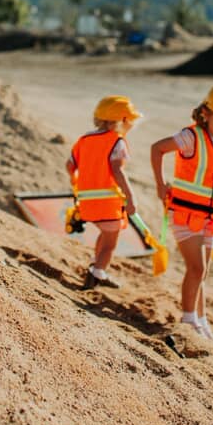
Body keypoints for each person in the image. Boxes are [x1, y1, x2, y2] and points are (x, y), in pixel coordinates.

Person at [150, 84, 213, 341]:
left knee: (202, 272)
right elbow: (157, 148)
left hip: (210, 217)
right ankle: (188, 319)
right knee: (196, 268)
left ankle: (201, 322)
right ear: (205, 114)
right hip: (184, 212)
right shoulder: (190, 137)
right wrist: (160, 185)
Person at [67, 95, 142, 289]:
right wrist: (131, 197)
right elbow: (117, 171)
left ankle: (95, 264)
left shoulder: (84, 139)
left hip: (86, 201)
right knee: (111, 243)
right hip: (107, 202)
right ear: (122, 121)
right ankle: (97, 273)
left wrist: (79, 183)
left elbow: (70, 165)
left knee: (104, 234)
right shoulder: (117, 141)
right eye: (130, 120)